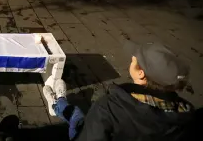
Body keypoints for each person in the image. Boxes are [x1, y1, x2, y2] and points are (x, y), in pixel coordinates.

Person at [43, 42, 198, 141]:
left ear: (140, 73)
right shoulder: (185, 116)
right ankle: (58, 102)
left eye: (134, 60)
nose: (132, 60)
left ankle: (57, 101)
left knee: (76, 116)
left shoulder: (109, 107)